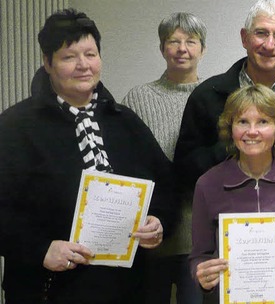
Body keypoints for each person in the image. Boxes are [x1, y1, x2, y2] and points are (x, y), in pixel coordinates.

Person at [0, 9, 175, 303]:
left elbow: (167, 184)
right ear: (47, 62)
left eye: (90, 54)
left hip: (127, 287)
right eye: (69, 57)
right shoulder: (14, 126)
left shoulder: (124, 120)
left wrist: (159, 222)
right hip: (49, 287)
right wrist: (40, 249)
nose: (83, 65)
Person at [189, 84, 275, 304]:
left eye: (263, 122)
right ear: (230, 128)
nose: (252, 131)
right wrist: (201, 275)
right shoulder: (207, 185)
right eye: (242, 121)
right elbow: (199, 256)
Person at [121, 12, 206, 304]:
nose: (182, 48)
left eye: (191, 41)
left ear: (202, 49)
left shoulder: (215, 97)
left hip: (200, 237)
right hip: (149, 235)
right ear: (162, 48)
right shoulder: (136, 99)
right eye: (174, 41)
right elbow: (125, 163)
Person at [174, 0, 275, 190]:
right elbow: (183, 170)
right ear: (244, 38)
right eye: (261, 33)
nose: (269, 44)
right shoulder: (206, 95)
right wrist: (235, 144)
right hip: (224, 210)